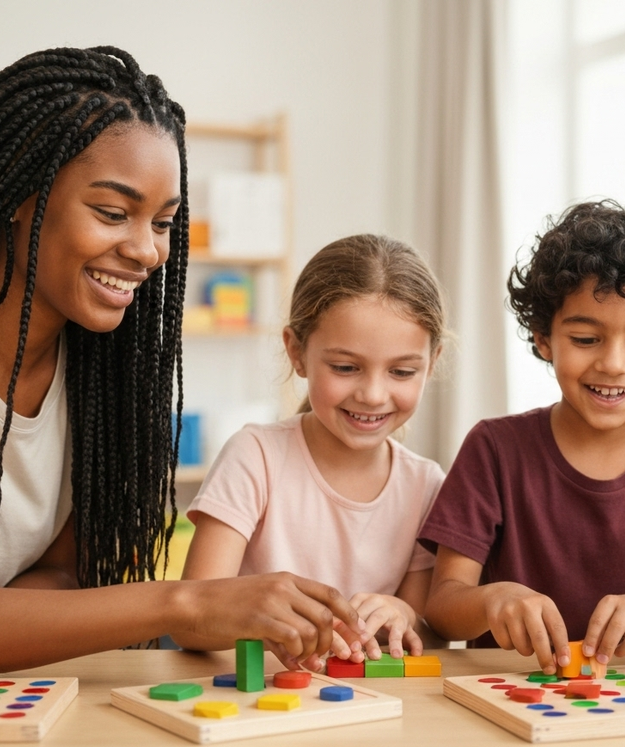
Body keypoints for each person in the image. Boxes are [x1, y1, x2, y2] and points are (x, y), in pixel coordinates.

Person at [0, 46, 365, 677]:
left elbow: (60, 574)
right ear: (17, 195)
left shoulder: (105, 369)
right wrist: (185, 603)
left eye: (164, 223)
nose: (147, 251)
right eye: (113, 214)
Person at [421, 201, 625, 676]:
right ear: (544, 339)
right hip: (507, 688)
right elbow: (443, 605)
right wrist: (492, 600)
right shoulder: (493, 449)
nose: (612, 363)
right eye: (586, 339)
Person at [172, 234, 447, 660]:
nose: (373, 394)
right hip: (256, 702)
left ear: (431, 364)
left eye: (402, 371)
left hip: (361, 708)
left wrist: (403, 616)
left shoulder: (427, 484)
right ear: (297, 352)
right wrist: (265, 625)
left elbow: (429, 634)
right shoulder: (255, 457)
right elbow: (191, 620)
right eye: (345, 367)